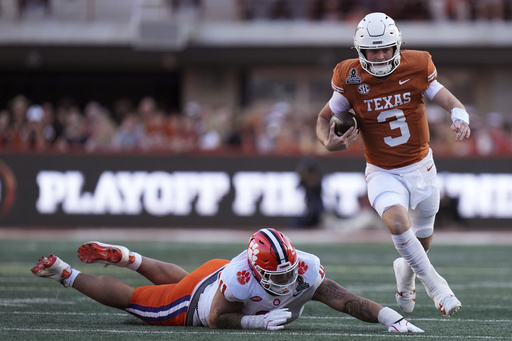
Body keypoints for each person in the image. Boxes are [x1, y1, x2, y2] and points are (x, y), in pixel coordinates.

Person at [316, 12, 470, 317]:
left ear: (397, 46)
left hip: (422, 168)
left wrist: (460, 117)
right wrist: (327, 142)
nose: (379, 55)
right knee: (399, 225)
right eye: (372, 50)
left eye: (385, 48)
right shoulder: (350, 76)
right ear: (360, 51)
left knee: (420, 243)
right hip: (382, 171)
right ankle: (436, 285)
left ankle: (405, 272)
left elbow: (453, 103)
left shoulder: (417, 65)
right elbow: (323, 119)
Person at [31, 228, 423, 333]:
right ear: (255, 270)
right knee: (137, 301)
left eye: (289, 271)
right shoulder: (240, 278)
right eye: (277, 274)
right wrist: (254, 321)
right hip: (200, 301)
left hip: (213, 272)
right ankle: (64, 272)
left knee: (182, 282)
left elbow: (343, 298)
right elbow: (217, 318)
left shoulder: (303, 265)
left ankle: (131, 257)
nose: (287, 279)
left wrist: (390, 317)